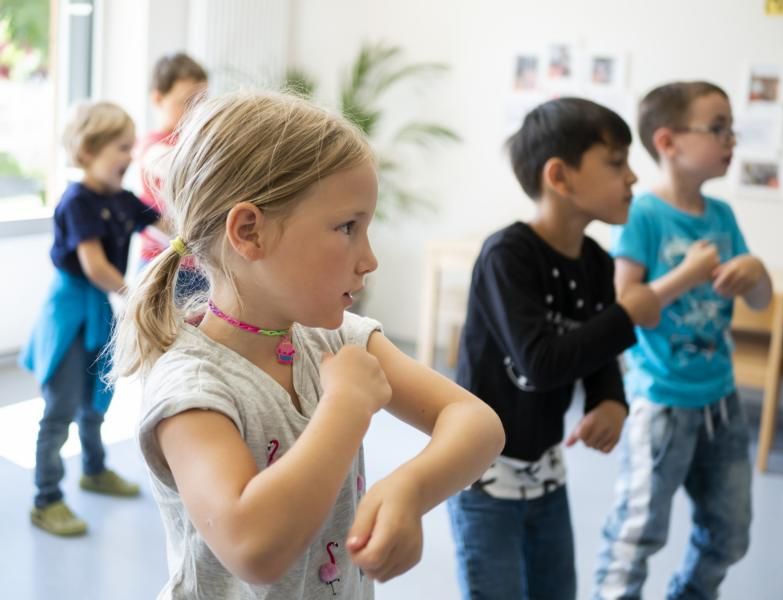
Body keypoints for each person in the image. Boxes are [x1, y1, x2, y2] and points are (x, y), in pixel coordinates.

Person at [109, 90, 505, 599]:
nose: (369, 259)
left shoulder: (339, 340)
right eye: (346, 228)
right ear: (250, 232)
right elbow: (254, 548)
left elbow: (478, 424)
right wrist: (345, 406)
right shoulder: (192, 387)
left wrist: (410, 489)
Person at [447, 97, 661, 600]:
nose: (632, 178)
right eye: (616, 163)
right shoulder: (508, 256)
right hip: (483, 481)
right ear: (560, 177)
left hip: (546, 479)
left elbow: (599, 353)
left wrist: (611, 398)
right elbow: (540, 362)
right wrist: (629, 313)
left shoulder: (596, 262)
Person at [593, 81, 773, 600]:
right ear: (668, 142)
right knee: (638, 533)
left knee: (730, 533)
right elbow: (626, 305)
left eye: (732, 128)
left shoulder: (722, 217)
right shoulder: (643, 215)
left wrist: (755, 269)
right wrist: (689, 274)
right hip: (661, 402)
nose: (731, 140)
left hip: (722, 402)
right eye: (718, 128)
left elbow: (759, 300)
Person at [21, 101, 160, 536]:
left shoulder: (121, 199)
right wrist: (137, 294)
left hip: (99, 310)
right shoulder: (78, 201)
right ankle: (46, 498)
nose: (129, 156)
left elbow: (164, 222)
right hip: (71, 313)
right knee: (60, 407)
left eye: (131, 146)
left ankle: (94, 469)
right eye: (121, 147)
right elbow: (96, 267)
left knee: (96, 402)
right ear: (87, 152)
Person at [137, 52, 208, 301]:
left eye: (202, 101)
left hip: (200, 267)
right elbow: (183, 168)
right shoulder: (152, 146)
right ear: (158, 98)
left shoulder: (195, 142)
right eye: (186, 101)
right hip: (162, 264)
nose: (196, 110)